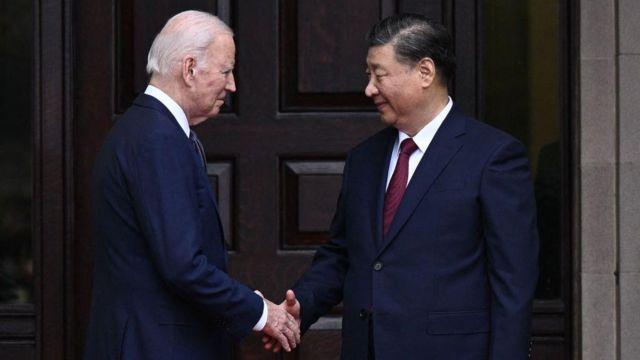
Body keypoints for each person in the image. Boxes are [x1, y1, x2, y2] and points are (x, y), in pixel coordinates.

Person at [265, 14, 539, 359]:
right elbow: (341, 255)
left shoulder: (493, 156)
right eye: (368, 75)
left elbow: (513, 281)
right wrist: (300, 308)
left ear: (425, 72)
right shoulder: (364, 159)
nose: (369, 89)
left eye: (380, 75)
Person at [84, 10, 299, 359]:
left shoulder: (146, 128)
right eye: (226, 71)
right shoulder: (158, 139)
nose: (232, 86)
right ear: (189, 69)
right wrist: (261, 313)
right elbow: (183, 265)